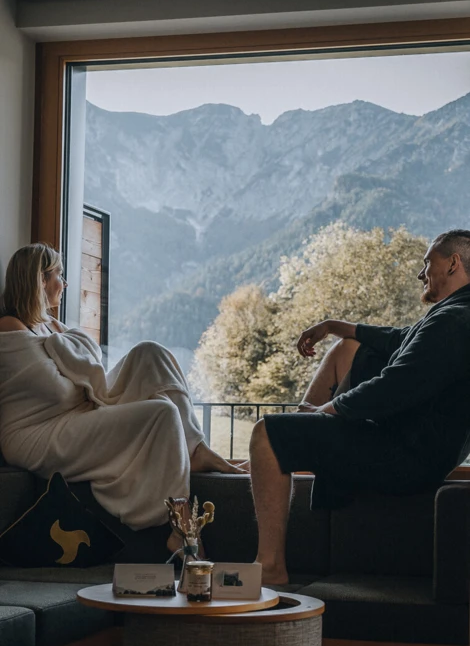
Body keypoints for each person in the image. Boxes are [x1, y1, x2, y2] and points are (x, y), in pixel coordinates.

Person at [250, 229, 470, 585]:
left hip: (406, 456)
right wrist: (335, 326)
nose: (421, 273)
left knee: (267, 434)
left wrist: (328, 411)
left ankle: (270, 565)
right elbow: (398, 338)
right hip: (415, 448)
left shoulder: (454, 321)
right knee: (352, 347)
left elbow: (393, 387)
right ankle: (301, 437)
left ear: (452, 264)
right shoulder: (453, 314)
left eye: (427, 263)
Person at [0, 243, 242, 552]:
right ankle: (180, 527)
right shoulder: (10, 327)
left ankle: (196, 450)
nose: (66, 283)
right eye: (60, 274)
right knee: (162, 414)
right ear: (40, 280)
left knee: (150, 354)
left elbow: (81, 375)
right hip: (37, 432)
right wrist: (76, 369)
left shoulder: (52, 326)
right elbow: (55, 390)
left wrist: (75, 368)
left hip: (76, 409)